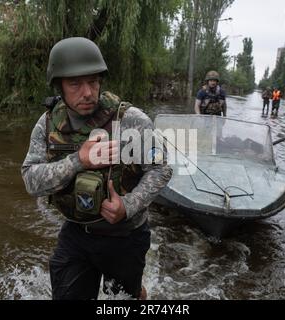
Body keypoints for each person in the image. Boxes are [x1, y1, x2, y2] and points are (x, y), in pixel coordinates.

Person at [21, 37, 172, 300]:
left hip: (125, 237)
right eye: (75, 84)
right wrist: (78, 160)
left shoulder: (131, 121)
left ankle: (137, 292)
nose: (88, 92)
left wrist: (128, 205)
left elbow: (161, 169)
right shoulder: (47, 124)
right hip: (76, 234)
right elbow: (31, 181)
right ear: (59, 85)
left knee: (123, 301)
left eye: (92, 81)